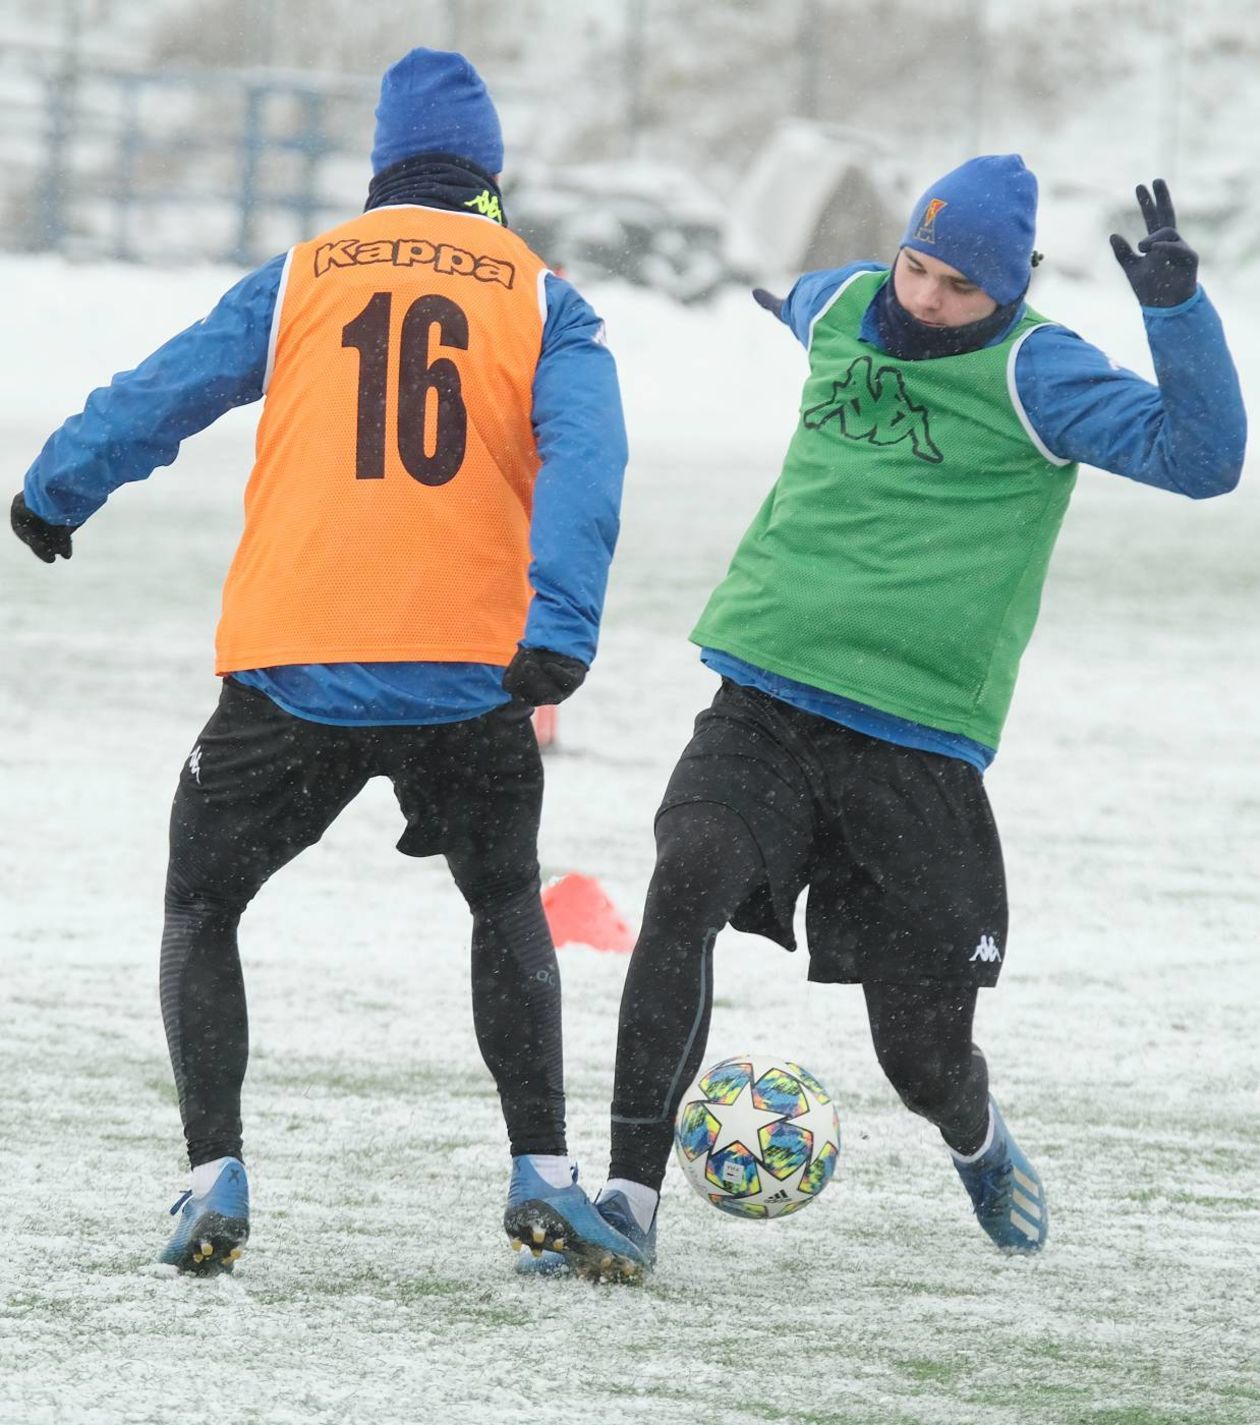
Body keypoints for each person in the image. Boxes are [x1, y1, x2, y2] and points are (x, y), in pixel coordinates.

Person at [531, 155, 1245, 1279]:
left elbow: (1204, 462)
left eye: (960, 288)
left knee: (921, 1053)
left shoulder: (1037, 372)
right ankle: (626, 1201)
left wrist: (1178, 314)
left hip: (915, 744)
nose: (925, 300)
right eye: (917, 267)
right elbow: (801, 300)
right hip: (764, 694)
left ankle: (976, 1135)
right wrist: (783, 301)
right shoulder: (844, 303)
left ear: (1011, 290)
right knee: (686, 882)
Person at [11, 47, 636, 1277]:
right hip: (472, 674)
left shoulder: (305, 276)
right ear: (488, 174)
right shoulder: (547, 296)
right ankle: (544, 1172)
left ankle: (213, 1173)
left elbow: (167, 389)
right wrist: (557, 625)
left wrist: (54, 487)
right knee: (505, 902)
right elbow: (588, 461)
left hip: (296, 671)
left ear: (382, 167)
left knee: (203, 904)